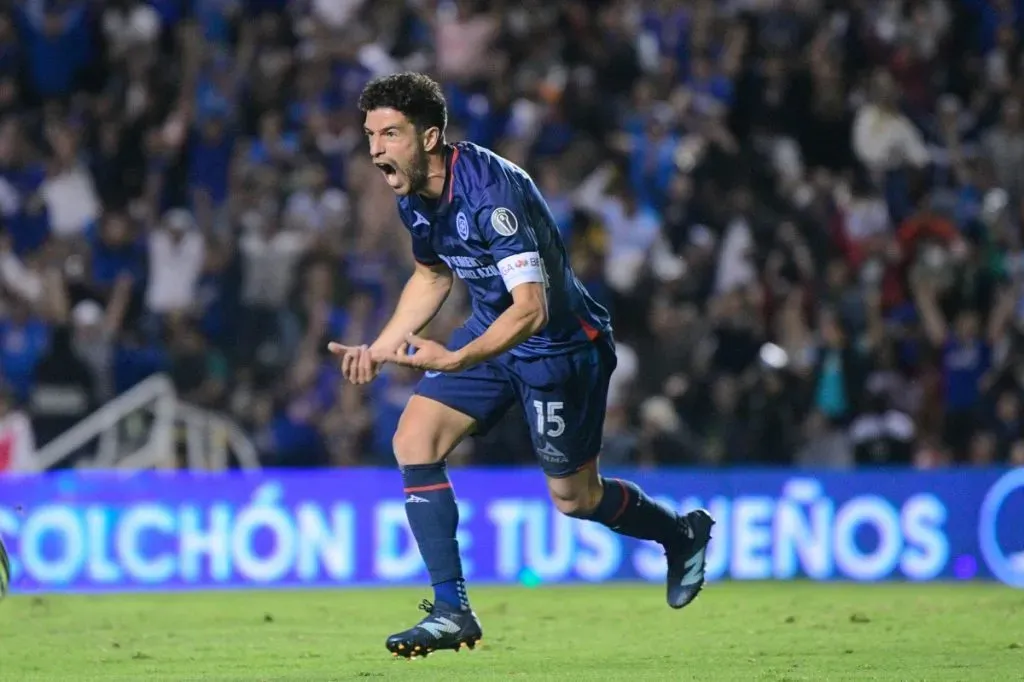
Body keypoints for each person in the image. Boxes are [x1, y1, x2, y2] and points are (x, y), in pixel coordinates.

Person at [329, 73, 714, 658]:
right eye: (370, 135)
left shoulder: (491, 194)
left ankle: (680, 534)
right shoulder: (413, 195)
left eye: (389, 134)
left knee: (575, 499)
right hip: (493, 335)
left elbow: (531, 311)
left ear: (430, 137)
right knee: (414, 438)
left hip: (559, 349)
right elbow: (433, 274)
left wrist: (454, 356)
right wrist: (384, 346)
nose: (376, 148)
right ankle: (451, 609)